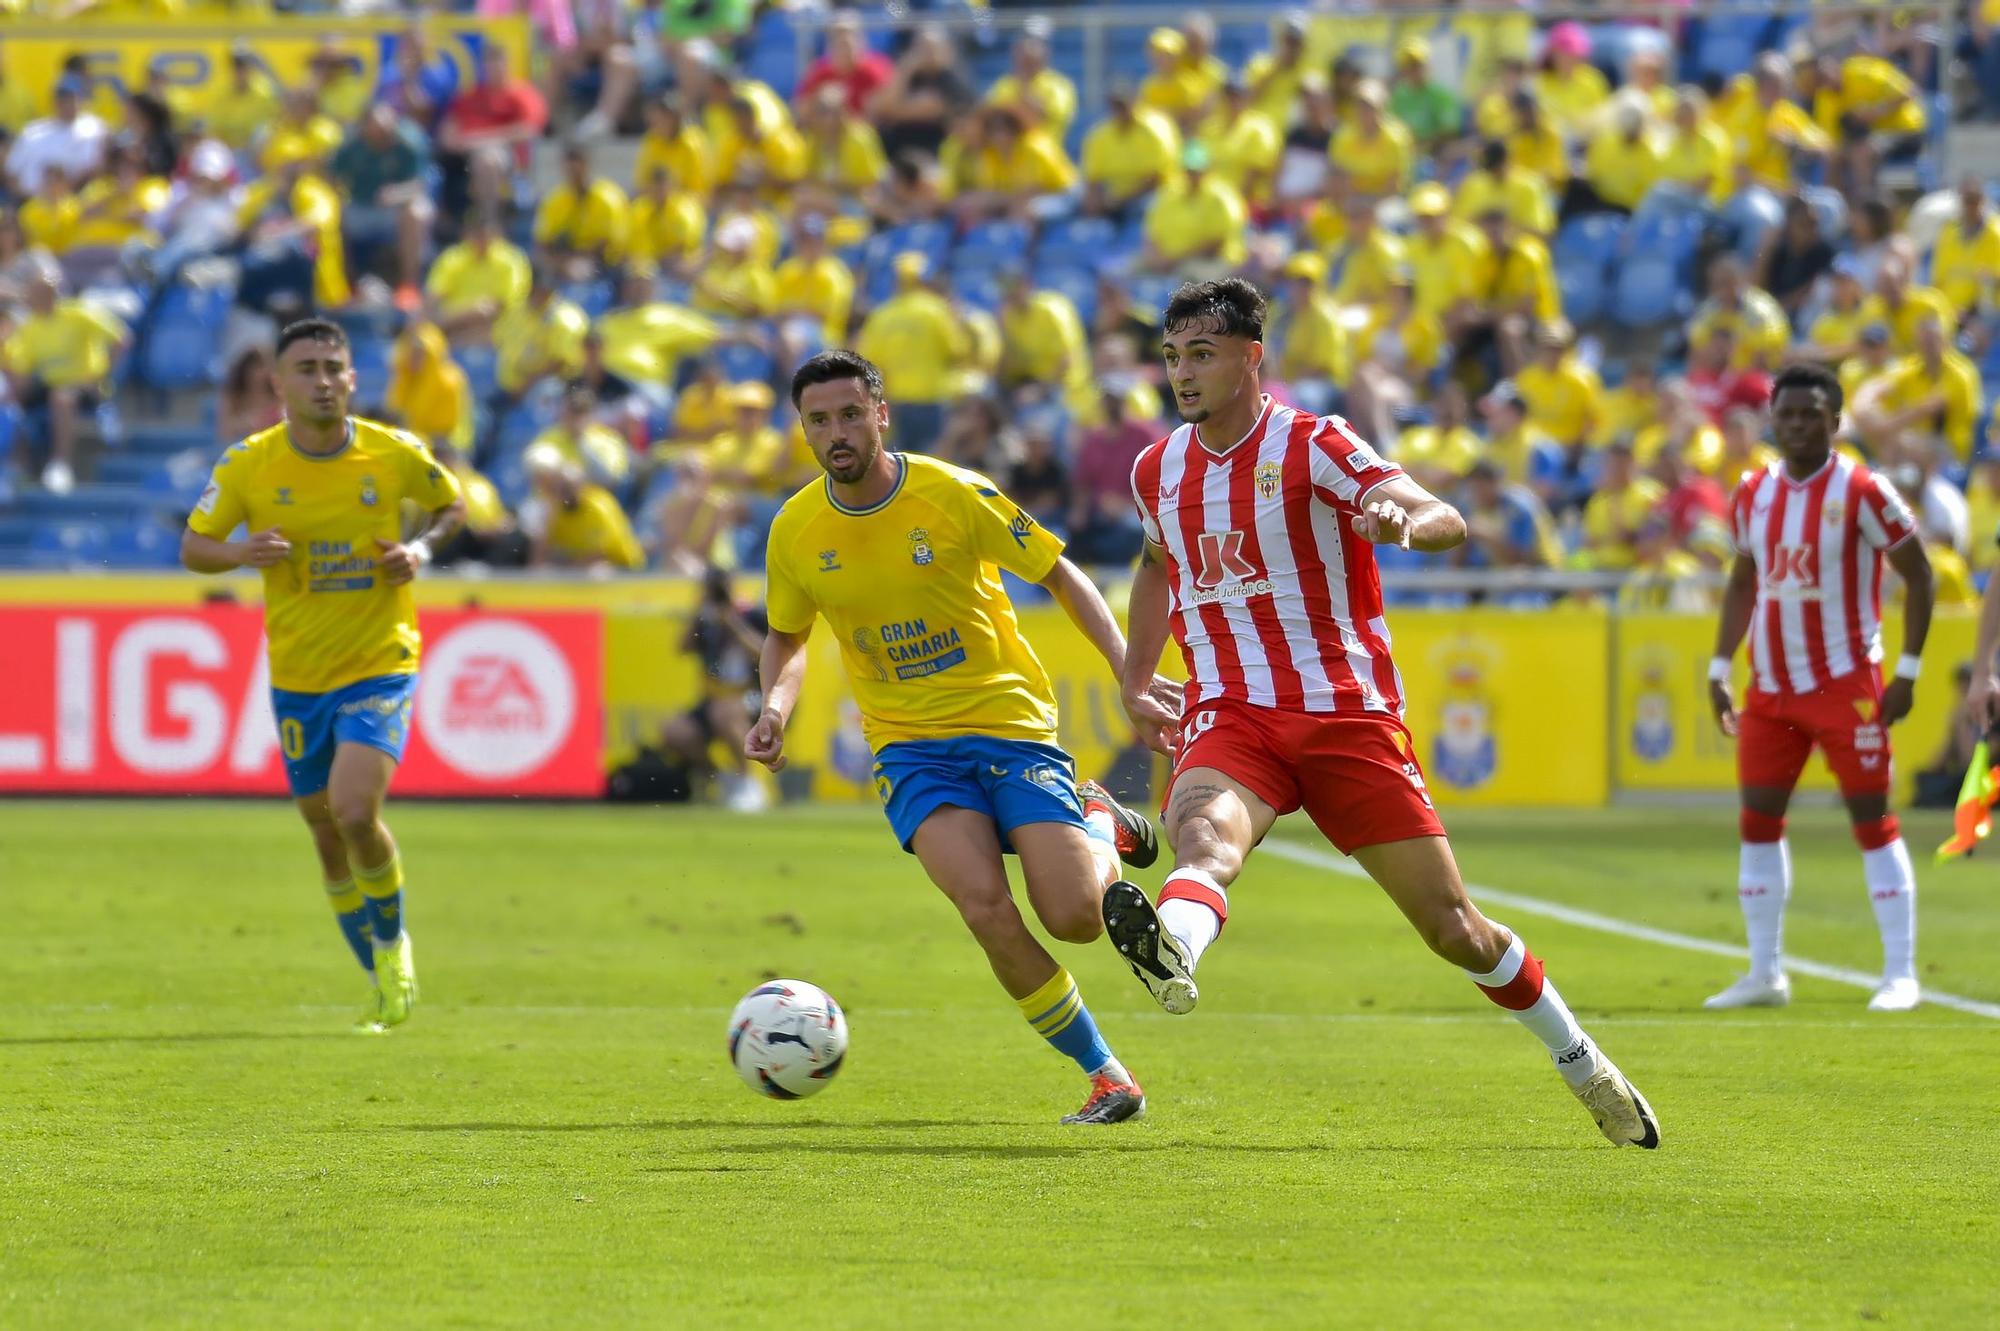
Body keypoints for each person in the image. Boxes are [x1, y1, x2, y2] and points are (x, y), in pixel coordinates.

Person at [1100, 279, 1661, 1149]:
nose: (1182, 373)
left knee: (1454, 928)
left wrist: (1403, 521)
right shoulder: (1155, 467)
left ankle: (1580, 1058)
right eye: (1172, 356)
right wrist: (1138, 676)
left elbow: (1441, 516)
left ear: (1253, 358)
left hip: (1344, 717)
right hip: (1231, 709)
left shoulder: (1314, 443)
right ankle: (1172, 948)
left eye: (1201, 354)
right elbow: (1154, 562)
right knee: (1204, 836)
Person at [744, 349, 1180, 1125]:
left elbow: (1059, 572)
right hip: (910, 749)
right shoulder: (796, 529)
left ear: (882, 414)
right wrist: (775, 705)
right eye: (820, 420)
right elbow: (787, 634)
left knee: (1076, 916)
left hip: (1008, 726)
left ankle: (1101, 822)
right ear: (803, 428)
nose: (837, 432)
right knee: (983, 905)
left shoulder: (954, 493)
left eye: (851, 414)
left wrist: (1129, 674)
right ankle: (1108, 1074)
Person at [179, 318, 466, 1032]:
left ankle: (394, 946)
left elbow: (452, 504)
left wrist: (422, 552)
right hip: (299, 673)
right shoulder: (250, 464)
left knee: (356, 809)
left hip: (380, 660)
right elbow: (194, 544)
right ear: (279, 383)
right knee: (324, 831)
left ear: (352, 379)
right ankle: (376, 976)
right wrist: (243, 553)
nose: (323, 380)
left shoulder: (391, 452)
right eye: (306, 368)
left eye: (334, 366)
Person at [1705, 362, 1934, 1013]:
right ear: (1772, 419)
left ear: (1835, 421)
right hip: (1770, 687)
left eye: (1812, 414)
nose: (1798, 424)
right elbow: (1744, 582)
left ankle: (1900, 972)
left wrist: (1908, 671)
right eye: (1788, 414)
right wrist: (1719, 668)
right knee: (1758, 821)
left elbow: (1920, 576)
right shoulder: (1752, 491)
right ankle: (1765, 972)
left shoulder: (1865, 489)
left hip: (1845, 683)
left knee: (1872, 820)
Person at [662, 565, 771, 812]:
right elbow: (682, 648)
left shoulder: (751, 615)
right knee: (674, 731)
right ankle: (723, 779)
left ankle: (748, 782)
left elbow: (764, 654)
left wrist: (732, 622)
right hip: (715, 699)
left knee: (724, 712)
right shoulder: (705, 620)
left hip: (753, 697)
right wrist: (699, 610)